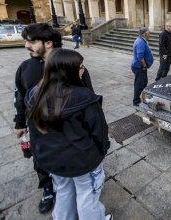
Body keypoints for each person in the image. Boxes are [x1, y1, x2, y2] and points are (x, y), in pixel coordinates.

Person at [14, 23, 93, 214]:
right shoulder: (25, 68)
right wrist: (19, 122)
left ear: (48, 43)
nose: (26, 45)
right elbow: (19, 96)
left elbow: (88, 98)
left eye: (31, 41)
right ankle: (48, 189)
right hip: (39, 130)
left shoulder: (72, 65)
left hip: (68, 133)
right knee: (40, 160)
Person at [25, 48, 112, 220]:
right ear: (68, 70)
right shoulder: (84, 96)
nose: (83, 70)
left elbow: (34, 132)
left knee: (64, 192)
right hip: (83, 160)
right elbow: (99, 130)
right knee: (87, 195)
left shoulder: (35, 94)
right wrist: (101, 151)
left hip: (53, 160)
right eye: (80, 66)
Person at [131, 27, 153, 106]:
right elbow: (140, 57)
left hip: (139, 66)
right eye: (148, 33)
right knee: (139, 84)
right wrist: (144, 66)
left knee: (143, 83)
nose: (149, 34)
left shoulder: (141, 40)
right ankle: (136, 101)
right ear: (145, 34)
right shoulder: (140, 42)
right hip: (139, 67)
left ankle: (143, 98)